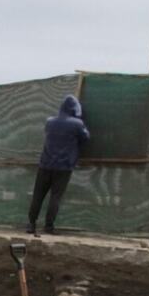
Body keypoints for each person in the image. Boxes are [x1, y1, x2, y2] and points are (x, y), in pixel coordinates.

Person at [29, 95, 91, 235]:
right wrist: (81, 120)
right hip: (64, 167)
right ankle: (48, 227)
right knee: (55, 197)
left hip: (45, 164)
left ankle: (31, 224)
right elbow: (86, 138)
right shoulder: (77, 124)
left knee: (38, 195)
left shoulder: (49, 121)